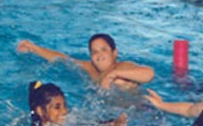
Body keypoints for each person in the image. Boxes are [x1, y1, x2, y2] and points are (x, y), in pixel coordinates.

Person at [17, 33, 154, 89]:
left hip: (139, 116)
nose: (99, 55)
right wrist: (33, 48)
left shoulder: (123, 67)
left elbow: (149, 74)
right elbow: (63, 59)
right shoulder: (91, 69)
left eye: (103, 49)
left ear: (114, 53)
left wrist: (114, 75)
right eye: (94, 52)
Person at [27, 81, 127, 126]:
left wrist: (112, 124)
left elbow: (90, 125)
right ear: (40, 111)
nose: (65, 111)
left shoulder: (68, 120)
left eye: (65, 105)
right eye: (57, 107)